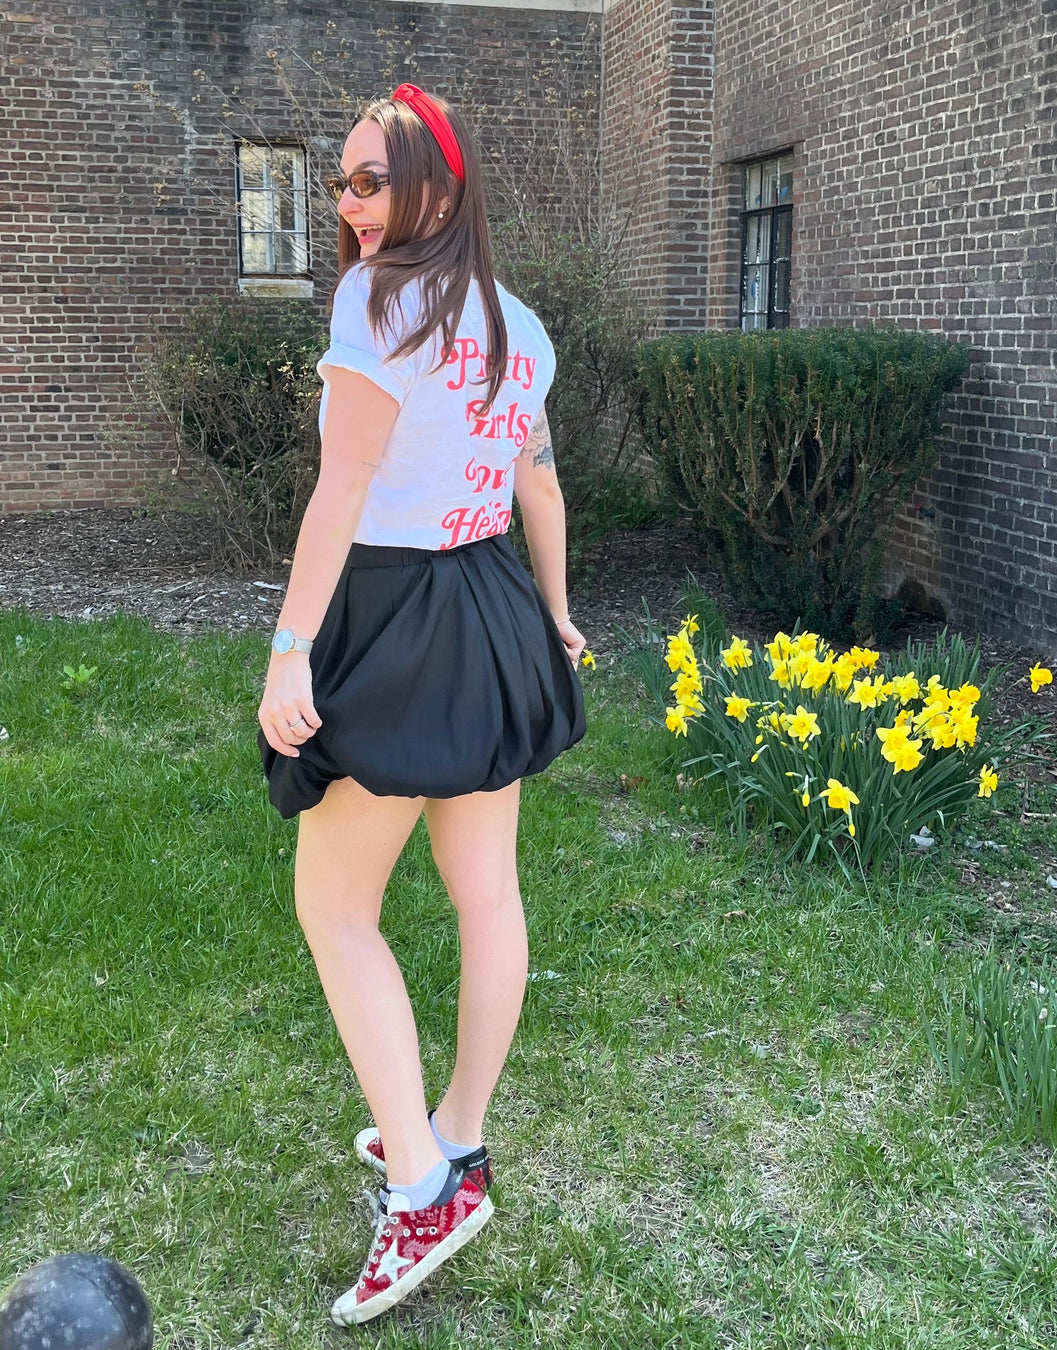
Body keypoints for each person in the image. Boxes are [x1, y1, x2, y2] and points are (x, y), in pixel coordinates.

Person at [255, 83, 587, 1326]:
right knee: (484, 893)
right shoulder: (520, 321)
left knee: (333, 904)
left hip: (397, 616)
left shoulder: (374, 298)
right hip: (490, 601)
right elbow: (538, 486)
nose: (349, 206)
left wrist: (292, 652)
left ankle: (423, 1177)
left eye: (370, 181)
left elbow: (342, 489)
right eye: (340, 184)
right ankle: (454, 1137)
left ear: (436, 190)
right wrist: (550, 612)